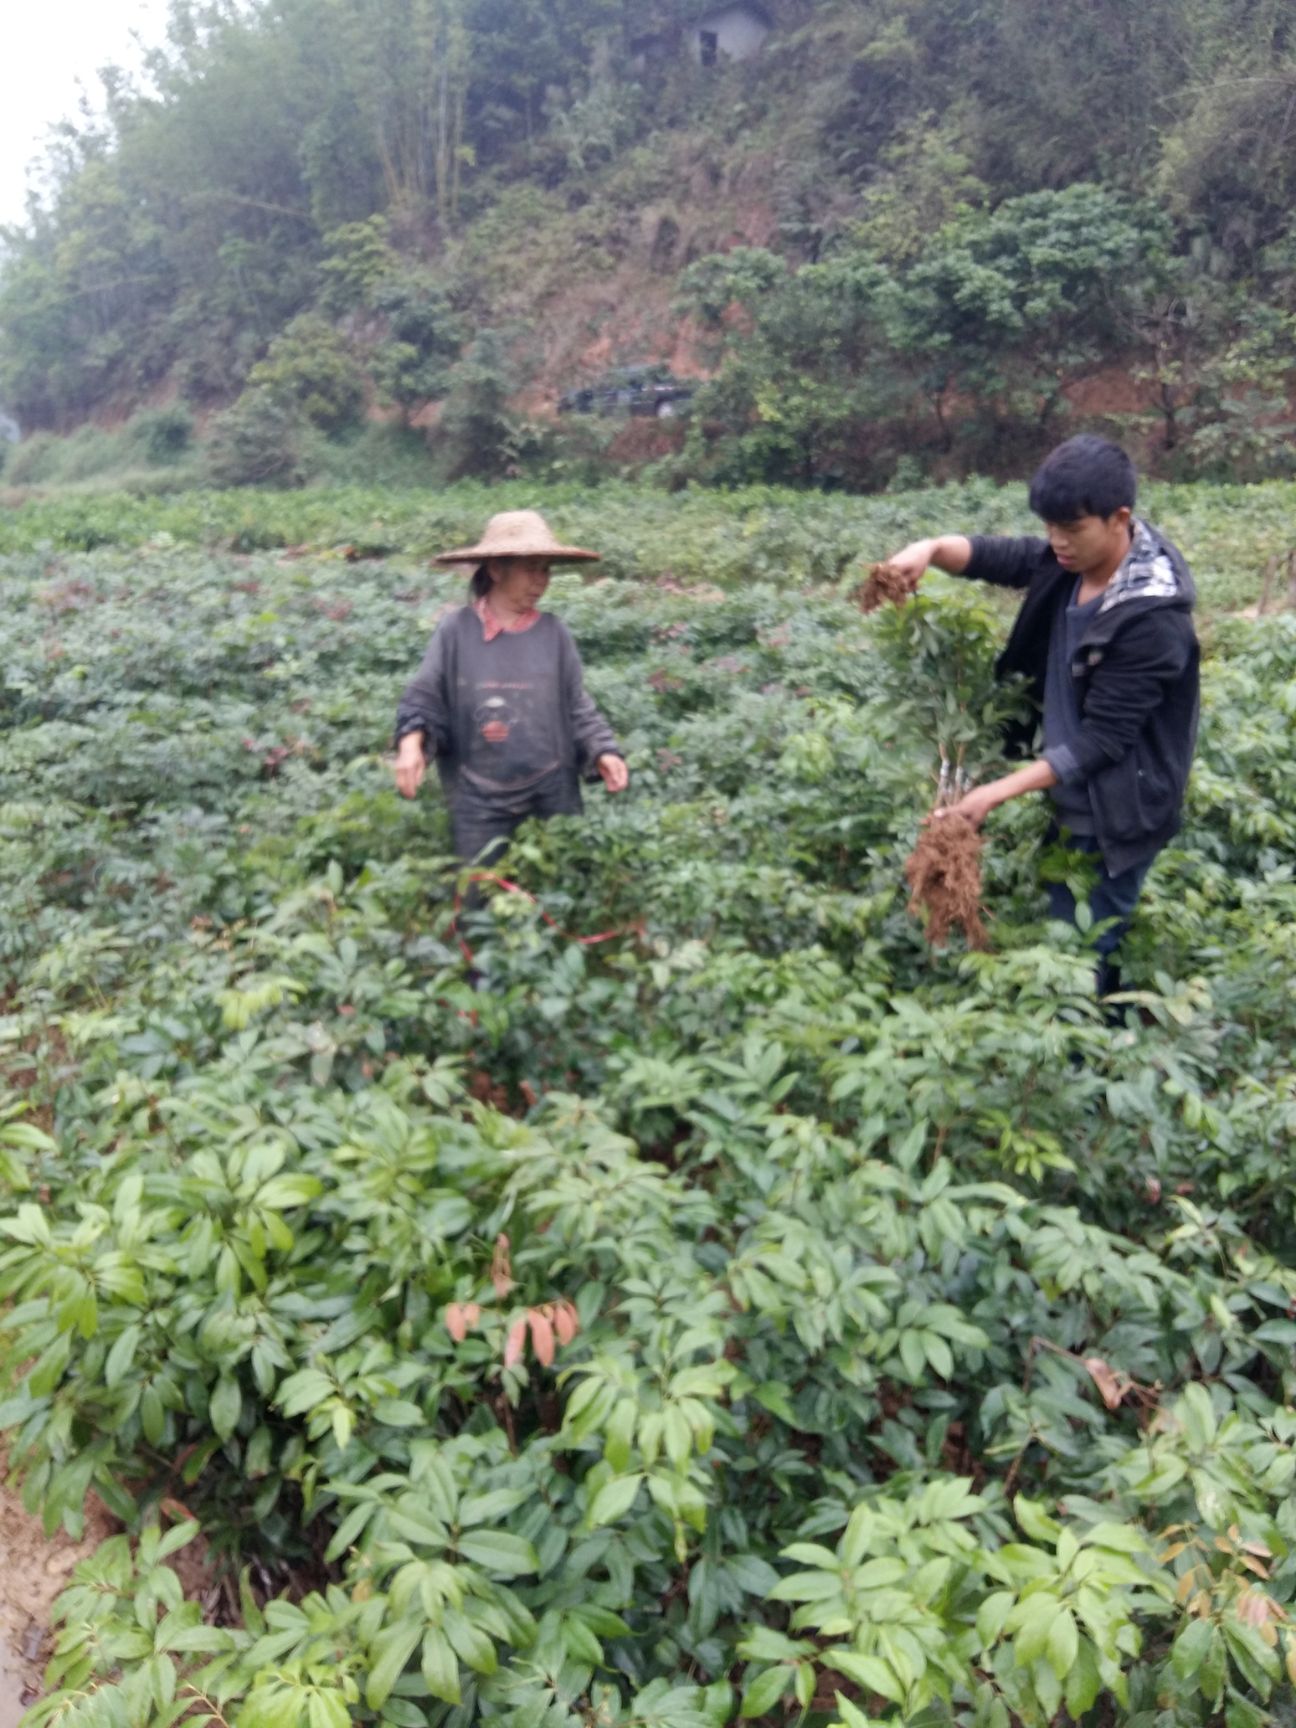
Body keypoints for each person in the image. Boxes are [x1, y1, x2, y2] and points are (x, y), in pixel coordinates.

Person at [885, 434, 1199, 994]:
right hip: (1069, 793)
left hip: (1118, 809)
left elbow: (1103, 741)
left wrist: (993, 793)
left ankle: (1095, 1035)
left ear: (1119, 518)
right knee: (1070, 922)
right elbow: (1000, 557)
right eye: (1050, 526)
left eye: (1071, 528)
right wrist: (930, 548)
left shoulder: (1152, 620)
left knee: (1082, 951)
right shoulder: (1069, 561)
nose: (1057, 542)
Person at [392, 510, 628, 866]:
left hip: (552, 792)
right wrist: (410, 746)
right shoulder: (456, 631)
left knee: (560, 885)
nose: (540, 581)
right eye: (530, 568)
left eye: (545, 569)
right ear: (495, 570)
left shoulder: (554, 634)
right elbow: (426, 696)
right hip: (478, 799)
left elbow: (577, 705)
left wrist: (603, 751)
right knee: (480, 890)